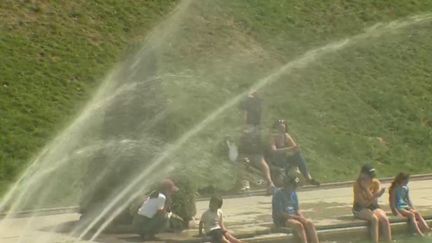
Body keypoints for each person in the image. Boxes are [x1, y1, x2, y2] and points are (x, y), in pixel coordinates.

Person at [269, 119, 319, 186]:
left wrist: (295, 149)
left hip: (286, 157)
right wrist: (289, 149)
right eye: (280, 128)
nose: (282, 130)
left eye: (283, 128)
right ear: (277, 128)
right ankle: (289, 178)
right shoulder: (273, 137)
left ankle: (308, 178)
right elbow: (274, 151)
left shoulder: (286, 136)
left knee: (298, 155)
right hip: (277, 159)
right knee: (281, 157)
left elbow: (295, 148)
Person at [272, 175, 319, 243]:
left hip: (294, 217)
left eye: (295, 186)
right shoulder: (278, 195)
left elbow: (297, 210)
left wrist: (302, 217)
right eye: (293, 186)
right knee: (298, 225)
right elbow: (280, 213)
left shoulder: (294, 194)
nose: (294, 188)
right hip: (282, 219)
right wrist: (297, 218)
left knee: (309, 223)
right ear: (286, 185)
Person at [352, 165, 391, 243]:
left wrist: (374, 196)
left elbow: (374, 203)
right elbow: (363, 204)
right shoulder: (357, 185)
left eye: (372, 176)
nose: (371, 178)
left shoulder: (375, 182)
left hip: (372, 206)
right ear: (362, 174)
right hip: (359, 208)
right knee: (374, 219)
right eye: (369, 176)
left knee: (384, 219)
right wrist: (367, 189)